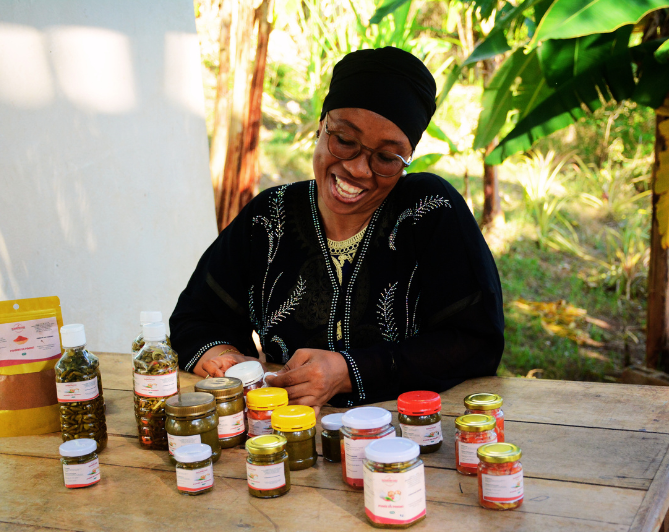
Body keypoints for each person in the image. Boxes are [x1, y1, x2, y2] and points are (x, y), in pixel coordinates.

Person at [170, 47, 504, 408]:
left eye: (386, 157)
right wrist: (224, 357)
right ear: (321, 125)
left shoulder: (428, 211)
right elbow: (196, 316)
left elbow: (476, 342)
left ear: (407, 160)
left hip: (406, 432)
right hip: (286, 432)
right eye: (344, 140)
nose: (358, 169)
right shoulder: (269, 217)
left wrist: (348, 371)